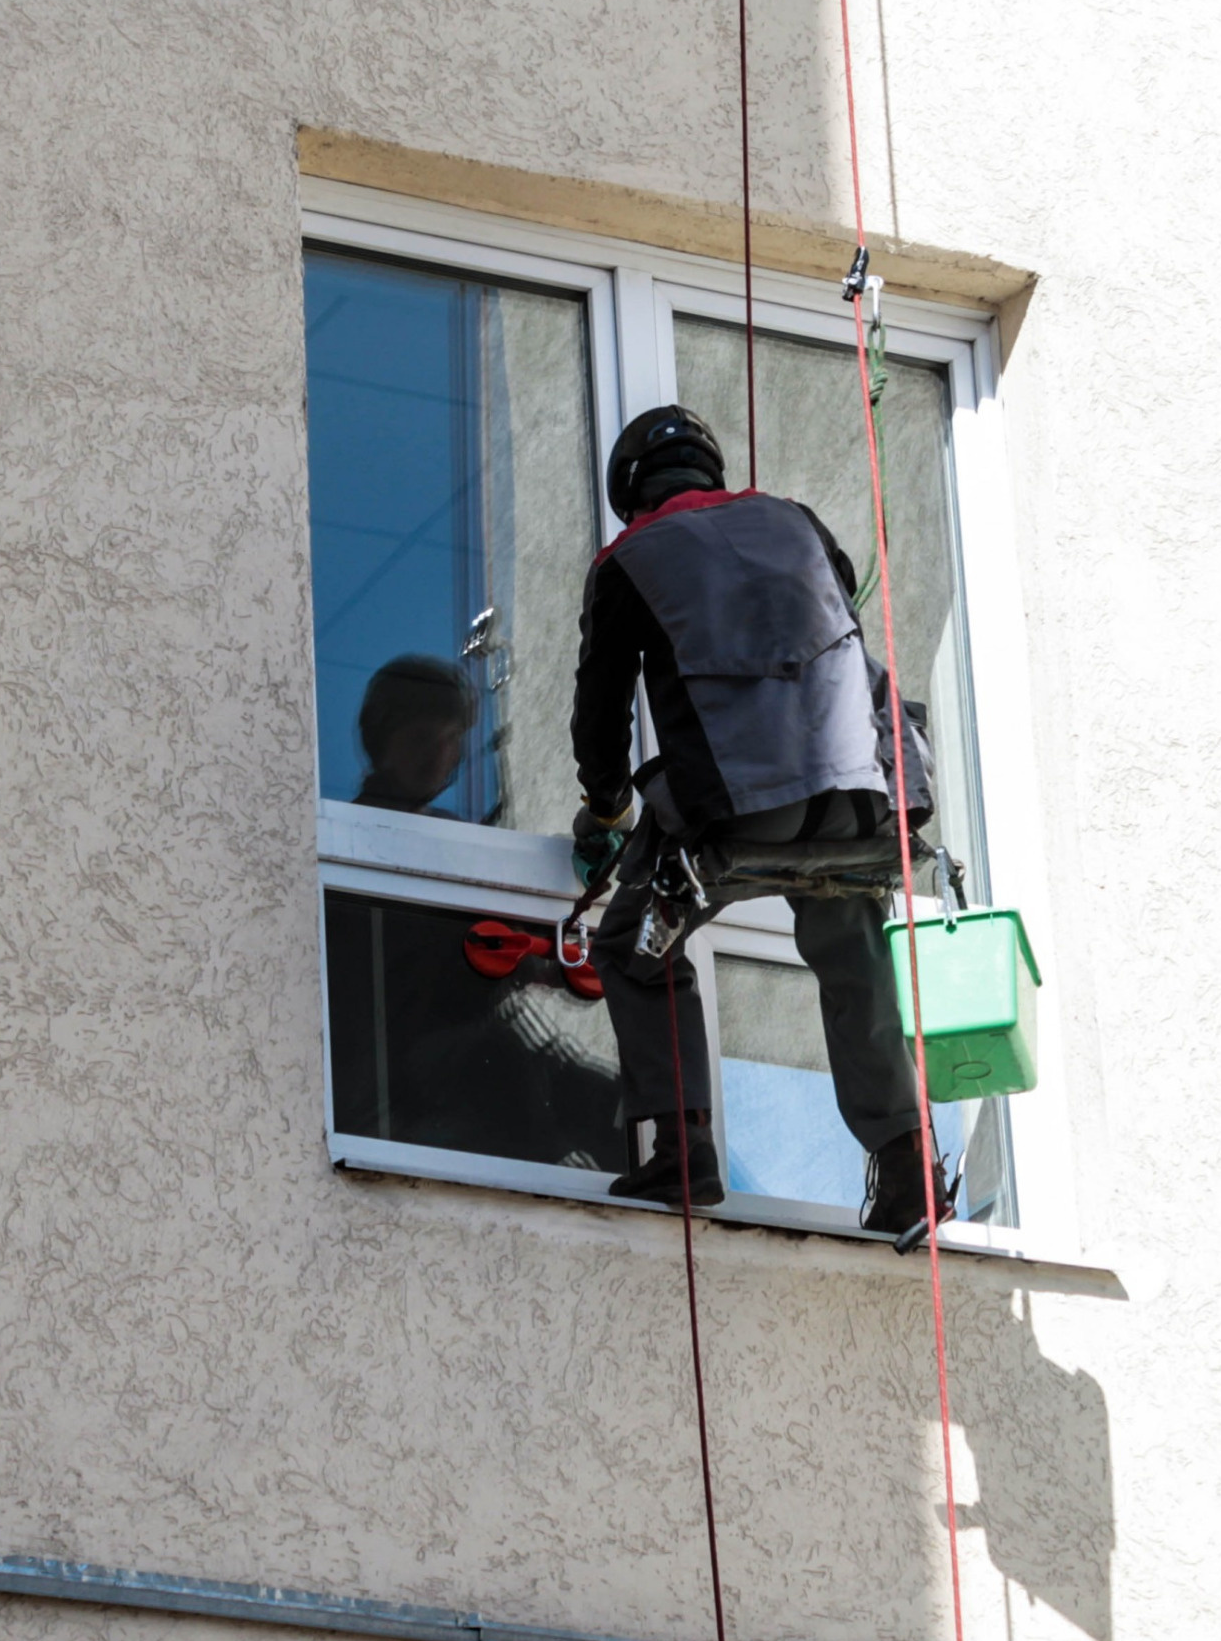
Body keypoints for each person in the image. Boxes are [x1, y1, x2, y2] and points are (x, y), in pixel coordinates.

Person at [569, 403, 956, 1244]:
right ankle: (907, 1169)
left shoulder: (628, 557)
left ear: (630, 491)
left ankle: (683, 1150)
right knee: (851, 948)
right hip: (861, 800)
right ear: (710, 471)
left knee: (633, 944)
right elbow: (839, 618)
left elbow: (599, 721)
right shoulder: (796, 521)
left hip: (742, 814)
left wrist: (607, 809)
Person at [352, 654, 478, 814]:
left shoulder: (455, 833)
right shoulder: (339, 829)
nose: (442, 754)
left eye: (452, 737)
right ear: (381, 742)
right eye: (423, 739)